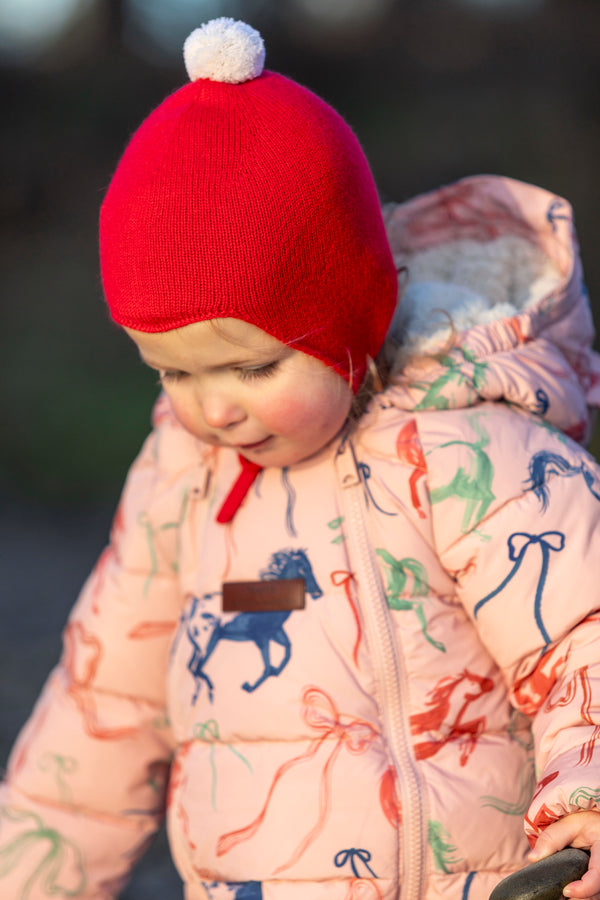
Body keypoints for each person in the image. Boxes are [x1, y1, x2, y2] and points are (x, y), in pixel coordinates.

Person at [1, 16, 600, 900]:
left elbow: (581, 635)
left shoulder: (468, 453)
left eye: (253, 364)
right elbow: (100, 714)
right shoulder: (183, 481)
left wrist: (586, 807)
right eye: (172, 370)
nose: (215, 406)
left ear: (350, 317)